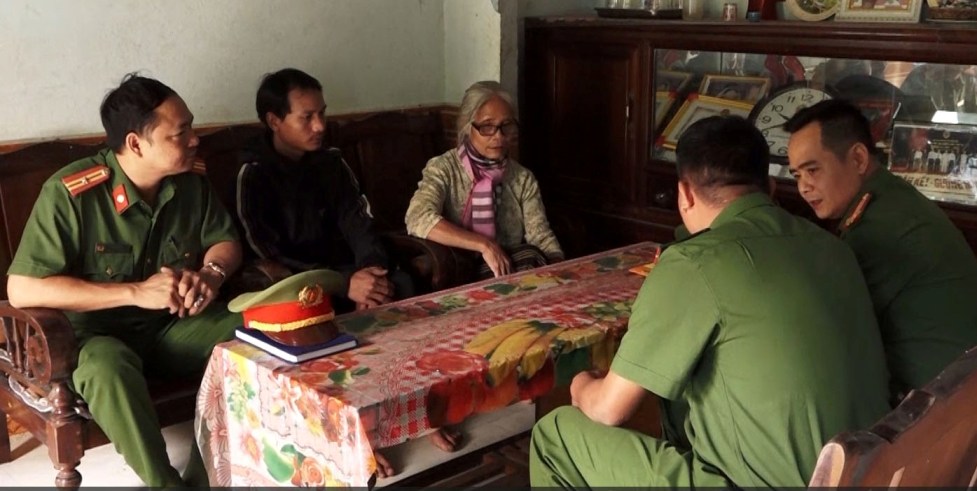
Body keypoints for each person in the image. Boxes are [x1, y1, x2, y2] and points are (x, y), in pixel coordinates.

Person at [529, 115, 890, 487]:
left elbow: (609, 410)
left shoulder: (695, 261)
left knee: (556, 434)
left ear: (684, 194)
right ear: (768, 187)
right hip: (865, 474)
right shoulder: (833, 248)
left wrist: (580, 385)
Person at [6, 74, 242, 487]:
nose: (194, 140)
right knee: (107, 370)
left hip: (173, 327)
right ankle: (164, 485)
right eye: (180, 132)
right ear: (136, 143)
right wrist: (135, 291)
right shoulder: (71, 193)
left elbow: (224, 240)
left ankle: (208, 474)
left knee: (251, 332)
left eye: (192, 127)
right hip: (95, 338)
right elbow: (22, 288)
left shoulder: (191, 183)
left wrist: (212, 274)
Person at [785, 99, 977, 402]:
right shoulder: (888, 201)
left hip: (944, 407)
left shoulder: (880, 228)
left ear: (859, 159)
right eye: (797, 175)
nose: (804, 187)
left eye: (813, 170)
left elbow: (832, 329)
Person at [236, 68, 412, 313]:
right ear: (274, 121)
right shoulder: (255, 174)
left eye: (322, 113)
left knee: (399, 287)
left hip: (350, 269)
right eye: (306, 117)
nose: (319, 126)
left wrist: (372, 273)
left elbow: (358, 221)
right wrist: (343, 282)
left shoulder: (331, 162)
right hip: (300, 282)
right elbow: (267, 253)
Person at [405, 81, 563, 279]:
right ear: (467, 127)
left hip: (507, 268)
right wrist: (484, 245)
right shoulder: (444, 168)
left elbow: (540, 236)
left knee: (532, 257)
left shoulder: (522, 178)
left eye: (506, 126)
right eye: (487, 126)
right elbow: (418, 218)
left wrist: (559, 270)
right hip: (457, 268)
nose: (498, 136)